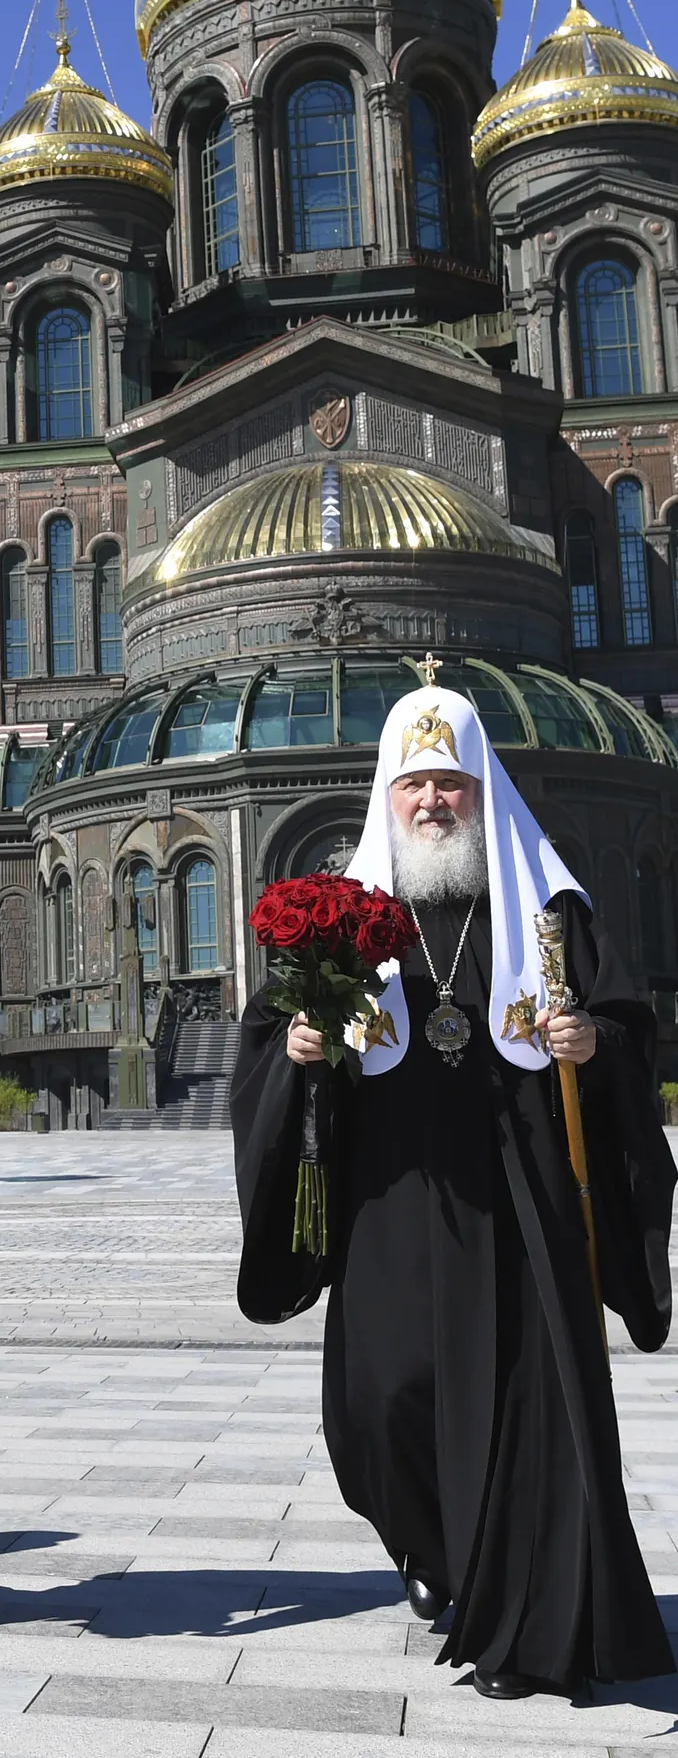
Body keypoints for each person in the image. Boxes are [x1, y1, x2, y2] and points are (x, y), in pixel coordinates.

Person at [232, 678, 676, 1700]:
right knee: (375, 1404)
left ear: (483, 789)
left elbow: (622, 1022)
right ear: (387, 794)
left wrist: (590, 1039)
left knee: (522, 1410)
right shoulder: (348, 913)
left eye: (452, 783)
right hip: (390, 1197)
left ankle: (522, 1624)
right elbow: (273, 1035)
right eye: (416, 784)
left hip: (521, 1193)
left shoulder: (547, 908)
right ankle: (437, 1555)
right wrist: (298, 1046)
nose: (434, 802)